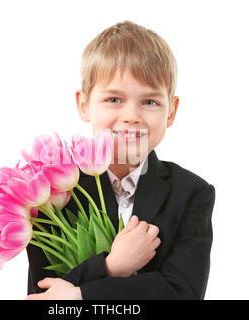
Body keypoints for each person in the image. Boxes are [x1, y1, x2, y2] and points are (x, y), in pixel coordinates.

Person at [26, 20, 216, 300]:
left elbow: (182, 292)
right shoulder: (53, 193)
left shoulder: (191, 194)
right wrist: (111, 266)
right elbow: (43, 295)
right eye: (114, 99)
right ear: (84, 104)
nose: (132, 116)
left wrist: (81, 296)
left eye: (150, 102)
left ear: (171, 111)